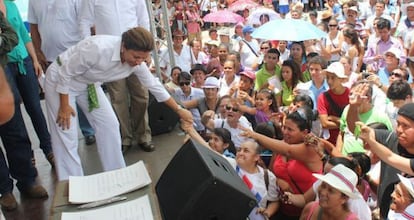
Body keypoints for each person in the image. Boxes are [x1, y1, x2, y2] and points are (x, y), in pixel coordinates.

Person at [43, 27, 193, 181]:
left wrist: (179, 110)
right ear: (123, 47)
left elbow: (154, 87)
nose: (138, 62)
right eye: (136, 57)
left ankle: (117, 175)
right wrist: (64, 105)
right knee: (66, 133)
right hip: (61, 82)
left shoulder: (138, 63)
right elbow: (65, 72)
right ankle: (70, 183)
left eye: (143, 58)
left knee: (110, 125)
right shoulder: (98, 49)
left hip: (88, 84)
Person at [79, 0, 155, 152]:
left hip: (136, 53)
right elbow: (84, 22)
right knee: (118, 98)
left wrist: (146, 51)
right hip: (111, 56)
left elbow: (143, 20)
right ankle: (125, 138)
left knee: (141, 95)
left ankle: (143, 136)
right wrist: (89, 47)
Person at [28, 0, 97, 147]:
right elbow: (33, 28)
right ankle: (68, 141)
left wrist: (90, 49)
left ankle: (89, 131)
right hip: (51, 60)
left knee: (85, 98)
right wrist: (38, 52)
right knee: (62, 104)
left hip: (77, 56)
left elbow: (88, 23)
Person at [241, 106, 325, 219]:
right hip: (280, 209)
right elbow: (271, 172)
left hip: (304, 213)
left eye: (290, 129)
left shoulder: (311, 149)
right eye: (284, 127)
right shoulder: (280, 146)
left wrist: (255, 135)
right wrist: (279, 181)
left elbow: (289, 151)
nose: (285, 132)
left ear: (304, 132)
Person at [347, 86, 414, 218]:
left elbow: (390, 157)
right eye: (398, 124)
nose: (399, 130)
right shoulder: (390, 138)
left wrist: (372, 142)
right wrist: (354, 107)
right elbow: (357, 128)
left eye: (405, 126)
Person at [3, 0, 55, 167]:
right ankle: (27, 157)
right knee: (15, 114)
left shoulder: (11, 5)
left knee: (35, 107)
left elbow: (24, 35)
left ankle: (49, 149)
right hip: (5, 65)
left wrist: (34, 60)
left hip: (24, 61)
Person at [317, 62, 350, 145]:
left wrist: (335, 119)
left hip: (349, 140)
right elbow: (325, 123)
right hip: (330, 143)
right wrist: (346, 124)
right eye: (327, 78)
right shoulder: (322, 97)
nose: (329, 81)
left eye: (333, 78)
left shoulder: (351, 94)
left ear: (341, 79)